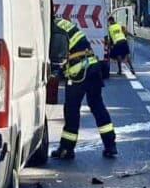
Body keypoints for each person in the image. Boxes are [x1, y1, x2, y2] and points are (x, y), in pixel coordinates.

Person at [50, 14, 117, 160]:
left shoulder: (53, 29)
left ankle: (67, 149)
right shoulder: (64, 23)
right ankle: (110, 145)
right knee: (97, 106)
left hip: (78, 72)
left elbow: (58, 55)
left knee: (71, 110)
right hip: (92, 66)